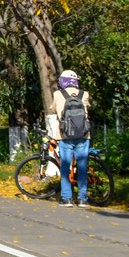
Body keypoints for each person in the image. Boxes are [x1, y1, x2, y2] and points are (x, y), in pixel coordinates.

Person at [52, 69, 91, 207]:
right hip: (83, 135)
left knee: (65, 167)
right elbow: (87, 108)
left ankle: (67, 198)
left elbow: (52, 109)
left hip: (64, 136)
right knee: (82, 166)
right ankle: (82, 199)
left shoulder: (57, 94)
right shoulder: (84, 94)